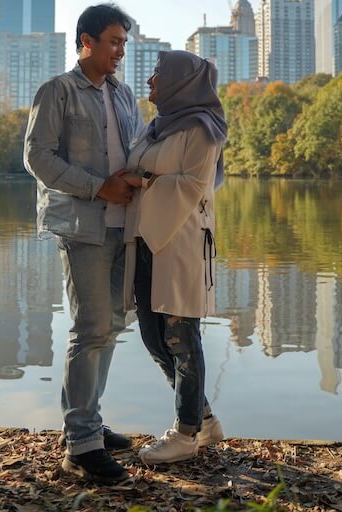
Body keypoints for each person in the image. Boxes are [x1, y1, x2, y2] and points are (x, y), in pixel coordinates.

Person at [24, 3, 144, 485]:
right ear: (86, 41)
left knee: (112, 325)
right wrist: (98, 186)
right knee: (90, 326)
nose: (120, 51)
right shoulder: (58, 90)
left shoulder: (125, 94)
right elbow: (37, 157)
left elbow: (134, 150)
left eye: (124, 44)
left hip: (124, 225)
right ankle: (80, 447)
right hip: (83, 226)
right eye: (114, 41)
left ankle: (86, 424)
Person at [122, 50, 228, 466]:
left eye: (157, 74)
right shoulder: (158, 127)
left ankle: (185, 435)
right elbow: (147, 169)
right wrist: (143, 178)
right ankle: (204, 419)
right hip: (147, 240)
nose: (150, 81)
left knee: (181, 338)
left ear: (181, 82)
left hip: (181, 243)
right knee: (152, 336)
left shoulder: (204, 130)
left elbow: (193, 185)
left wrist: (141, 180)